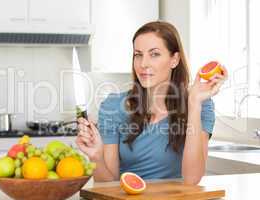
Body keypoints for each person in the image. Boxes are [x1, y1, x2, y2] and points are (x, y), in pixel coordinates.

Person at [76, 21, 227, 185]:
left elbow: (192, 178)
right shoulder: (113, 106)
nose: (143, 64)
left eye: (154, 54)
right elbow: (107, 183)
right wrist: (96, 156)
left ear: (174, 60)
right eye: (138, 54)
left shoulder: (201, 104)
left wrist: (194, 104)